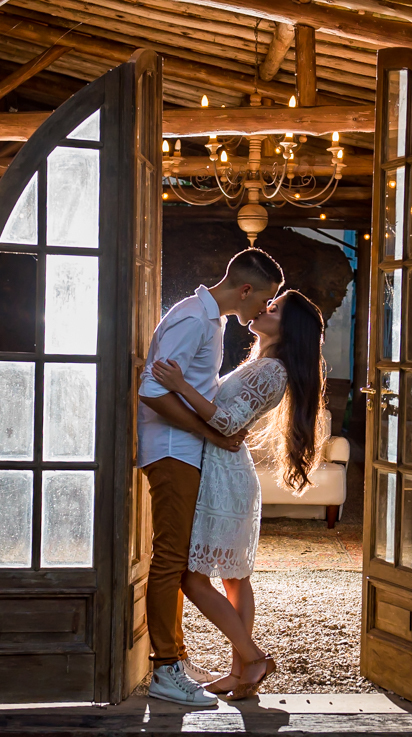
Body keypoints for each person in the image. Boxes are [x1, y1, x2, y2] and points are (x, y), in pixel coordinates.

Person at [150, 289, 327, 700]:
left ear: (289, 327)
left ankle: (252, 658)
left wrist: (179, 385)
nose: (265, 307)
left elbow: (228, 422)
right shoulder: (262, 363)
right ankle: (241, 673)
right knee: (234, 579)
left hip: (224, 478)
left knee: (192, 578)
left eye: (275, 308)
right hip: (225, 471)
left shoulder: (273, 371)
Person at [137, 248, 284, 707]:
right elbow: (152, 389)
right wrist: (211, 433)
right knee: (172, 563)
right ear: (246, 290)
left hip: (190, 451)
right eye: (264, 299)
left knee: (183, 563)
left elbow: (201, 394)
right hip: (173, 450)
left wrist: (215, 431)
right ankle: (166, 670)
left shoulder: (212, 321)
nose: (262, 309)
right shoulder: (194, 319)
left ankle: (176, 660)